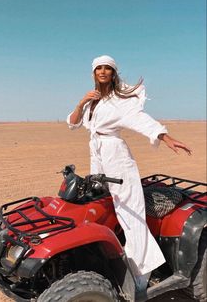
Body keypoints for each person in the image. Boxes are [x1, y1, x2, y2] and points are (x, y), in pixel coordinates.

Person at [66, 55, 192, 291]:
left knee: (130, 212)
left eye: (108, 68)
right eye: (98, 68)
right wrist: (82, 102)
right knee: (105, 207)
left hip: (118, 159)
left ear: (113, 73)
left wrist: (166, 137)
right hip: (98, 157)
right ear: (93, 73)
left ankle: (142, 272)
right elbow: (72, 123)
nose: (103, 72)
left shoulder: (119, 101)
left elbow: (140, 120)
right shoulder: (93, 101)